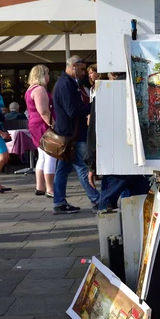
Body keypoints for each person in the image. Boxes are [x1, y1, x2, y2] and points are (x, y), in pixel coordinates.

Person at [86, 72, 150, 212]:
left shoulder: (104, 92)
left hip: (114, 161)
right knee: (139, 210)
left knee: (107, 209)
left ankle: (110, 232)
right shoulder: (146, 89)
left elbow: (94, 131)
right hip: (143, 162)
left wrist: (92, 165)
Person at [52, 55, 100, 214]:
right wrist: (93, 106)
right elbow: (72, 111)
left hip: (69, 133)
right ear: (73, 66)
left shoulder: (68, 83)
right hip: (72, 134)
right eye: (81, 69)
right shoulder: (66, 84)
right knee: (82, 167)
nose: (84, 73)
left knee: (63, 169)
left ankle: (59, 202)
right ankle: (96, 199)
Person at [25, 64, 56, 198]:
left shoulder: (30, 89)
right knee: (50, 156)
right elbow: (43, 111)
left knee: (42, 156)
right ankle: (50, 188)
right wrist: (53, 125)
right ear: (42, 75)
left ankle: (40, 186)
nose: (49, 76)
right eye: (47, 74)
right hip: (42, 125)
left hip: (34, 124)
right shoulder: (40, 90)